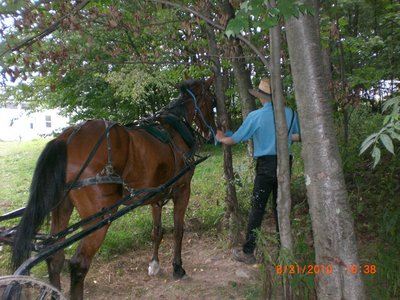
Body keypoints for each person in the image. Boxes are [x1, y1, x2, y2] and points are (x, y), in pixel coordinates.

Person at [216, 78, 300, 264]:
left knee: (257, 208)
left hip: (266, 167)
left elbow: (235, 139)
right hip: (286, 165)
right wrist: (283, 138)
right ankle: (283, 252)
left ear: (262, 97)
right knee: (282, 207)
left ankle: (248, 252)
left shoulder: (256, 116)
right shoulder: (290, 113)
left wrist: (222, 138)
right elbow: (298, 135)